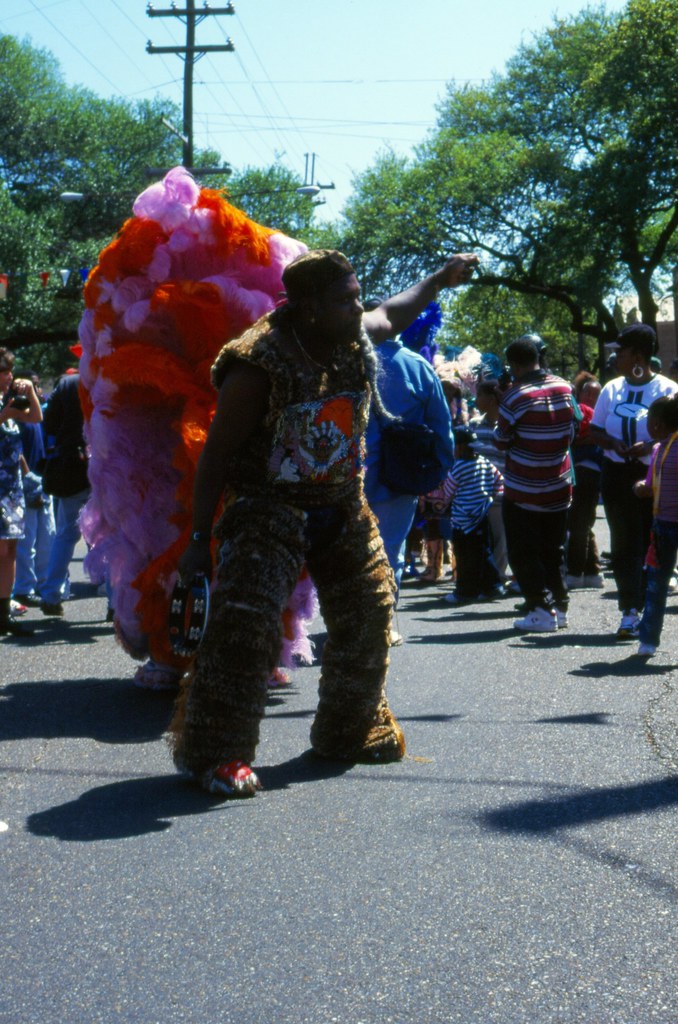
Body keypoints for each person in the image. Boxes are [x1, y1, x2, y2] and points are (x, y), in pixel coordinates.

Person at [169, 247, 479, 797]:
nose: (358, 308)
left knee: (371, 612)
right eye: (345, 300)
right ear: (308, 308)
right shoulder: (258, 363)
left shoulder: (353, 334)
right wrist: (199, 540)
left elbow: (395, 312)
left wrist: (439, 277)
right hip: (267, 509)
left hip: (341, 502)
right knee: (245, 628)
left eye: (358, 296)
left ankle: (348, 730)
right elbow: (215, 456)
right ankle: (217, 754)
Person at [363, 303, 454, 633]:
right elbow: (441, 425)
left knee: (347, 555)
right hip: (400, 478)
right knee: (389, 552)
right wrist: (440, 470)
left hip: (344, 476)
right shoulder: (417, 366)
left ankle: (352, 627)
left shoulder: (339, 360)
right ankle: (380, 626)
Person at [589, 323, 678, 638]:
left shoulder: (667, 390)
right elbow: (595, 429)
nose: (615, 358)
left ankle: (650, 610)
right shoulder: (611, 389)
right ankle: (629, 610)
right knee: (624, 543)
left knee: (651, 542)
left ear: (638, 355)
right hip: (617, 475)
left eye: (621, 352)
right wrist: (612, 444)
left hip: (655, 476)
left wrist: (652, 446)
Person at [495, 336, 576, 633]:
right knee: (554, 549)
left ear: (515, 364)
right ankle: (560, 606)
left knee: (523, 551)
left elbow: (500, 441)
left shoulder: (515, 396)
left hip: (524, 488)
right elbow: (573, 430)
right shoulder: (566, 387)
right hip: (559, 484)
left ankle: (540, 609)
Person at [39, 371, 91, 617]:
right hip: (107, 463)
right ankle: (115, 603)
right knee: (106, 537)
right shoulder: (109, 377)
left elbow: (48, 422)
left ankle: (51, 594)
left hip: (71, 465)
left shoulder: (68, 383)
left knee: (66, 534)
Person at [0, 348, 43, 637]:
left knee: (10, 550)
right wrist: (5, 414)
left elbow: (36, 418)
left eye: (11, 370)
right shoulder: (6, 407)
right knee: (1, 549)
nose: (11, 376)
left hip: (11, 490)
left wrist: (31, 394)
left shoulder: (10, 401)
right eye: (5, 371)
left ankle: (4, 614)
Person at [632, 395, 678, 656]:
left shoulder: (659, 451)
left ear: (658, 425)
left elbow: (648, 489)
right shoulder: (661, 448)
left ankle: (648, 641)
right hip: (665, 524)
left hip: (663, 525)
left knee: (657, 584)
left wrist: (637, 487)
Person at [443, 425, 504, 604]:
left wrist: (441, 504)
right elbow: (500, 480)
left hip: (462, 522)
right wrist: (491, 496)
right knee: (484, 553)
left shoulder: (458, 467)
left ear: (459, 447)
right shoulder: (485, 462)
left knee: (464, 557)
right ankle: (492, 586)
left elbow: (448, 493)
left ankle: (465, 591)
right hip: (482, 517)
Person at [14, 371, 56, 606]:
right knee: (26, 540)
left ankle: (43, 584)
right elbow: (14, 448)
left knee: (47, 536)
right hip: (25, 480)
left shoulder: (35, 413)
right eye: (31, 387)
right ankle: (23, 587)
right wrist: (28, 475)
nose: (38, 392)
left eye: (38, 387)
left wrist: (31, 393)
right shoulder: (15, 414)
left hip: (42, 479)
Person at [566, 371, 604, 589]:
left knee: (578, 523)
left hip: (589, 473)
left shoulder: (601, 417)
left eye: (595, 394)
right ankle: (592, 570)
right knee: (583, 522)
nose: (591, 398)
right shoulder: (574, 412)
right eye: (588, 393)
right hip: (576, 472)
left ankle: (575, 570)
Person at [470, 378, 509, 578]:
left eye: (479, 395)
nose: (475, 400)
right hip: (477, 493)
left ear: (492, 398)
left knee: (500, 538)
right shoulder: (474, 424)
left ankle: (497, 577)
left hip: (500, 494)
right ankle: (480, 576)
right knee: (479, 537)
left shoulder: (507, 425)